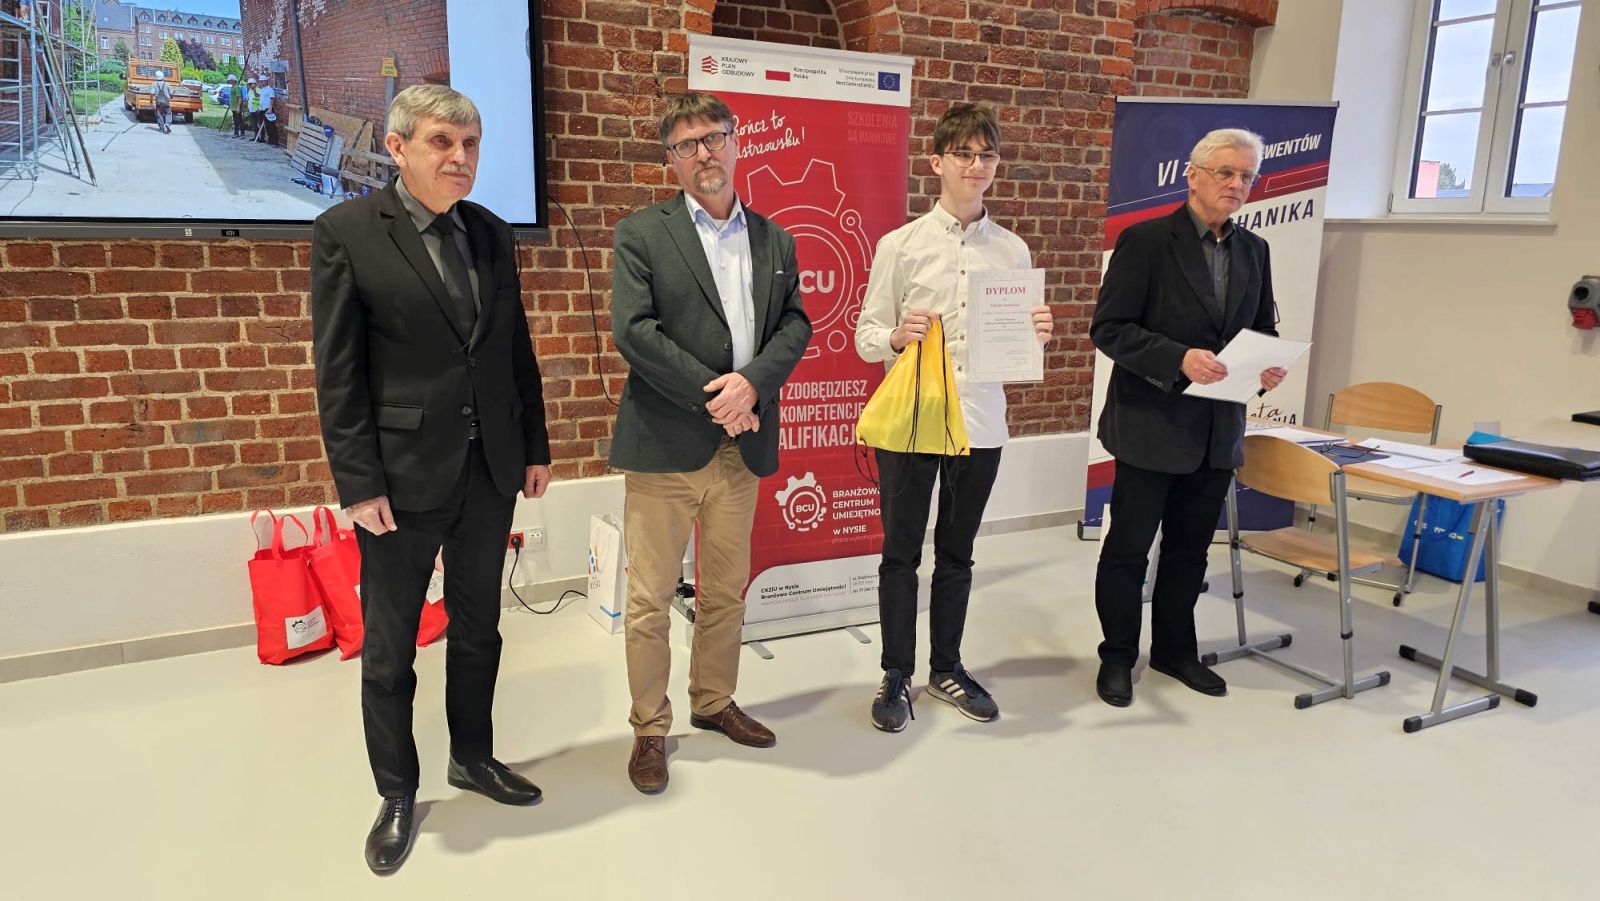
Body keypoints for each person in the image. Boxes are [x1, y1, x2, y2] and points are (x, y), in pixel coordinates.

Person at [310, 84, 553, 875]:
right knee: (390, 649)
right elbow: (338, 373)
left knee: (480, 629)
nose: (460, 157)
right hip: (399, 480)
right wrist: (358, 483)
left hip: (489, 472)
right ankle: (397, 790)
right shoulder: (347, 232)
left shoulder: (491, 232)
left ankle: (472, 756)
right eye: (442, 142)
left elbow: (513, 350)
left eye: (470, 144)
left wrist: (535, 445)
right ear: (397, 146)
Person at [608, 92, 812, 794]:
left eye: (715, 137)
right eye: (687, 144)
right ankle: (649, 727)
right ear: (671, 159)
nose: (705, 153)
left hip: (742, 448)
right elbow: (634, 332)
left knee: (725, 590)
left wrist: (752, 384)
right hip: (665, 446)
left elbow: (795, 323)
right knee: (649, 600)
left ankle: (715, 700)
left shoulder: (775, 238)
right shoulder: (641, 233)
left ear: (736, 140)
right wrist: (717, 396)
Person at [854, 103, 1054, 732]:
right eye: (963, 154)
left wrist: (1035, 335)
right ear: (936, 161)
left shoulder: (1013, 250)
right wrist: (895, 337)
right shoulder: (900, 246)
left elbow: (1016, 346)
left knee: (958, 554)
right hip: (912, 421)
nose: (976, 165)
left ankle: (946, 668)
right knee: (900, 553)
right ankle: (895, 672)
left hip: (981, 420)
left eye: (986, 154)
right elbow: (865, 335)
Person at [1089, 127, 1287, 708]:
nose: (1236, 184)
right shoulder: (1145, 241)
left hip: (1217, 431)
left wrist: (1267, 365)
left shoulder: (1255, 250)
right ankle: (1117, 656)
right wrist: (1177, 358)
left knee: (1189, 551)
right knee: (1129, 550)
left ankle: (1176, 651)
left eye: (1246, 176)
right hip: (1151, 424)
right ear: (1193, 175)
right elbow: (1109, 329)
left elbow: (1262, 329)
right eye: (1225, 172)